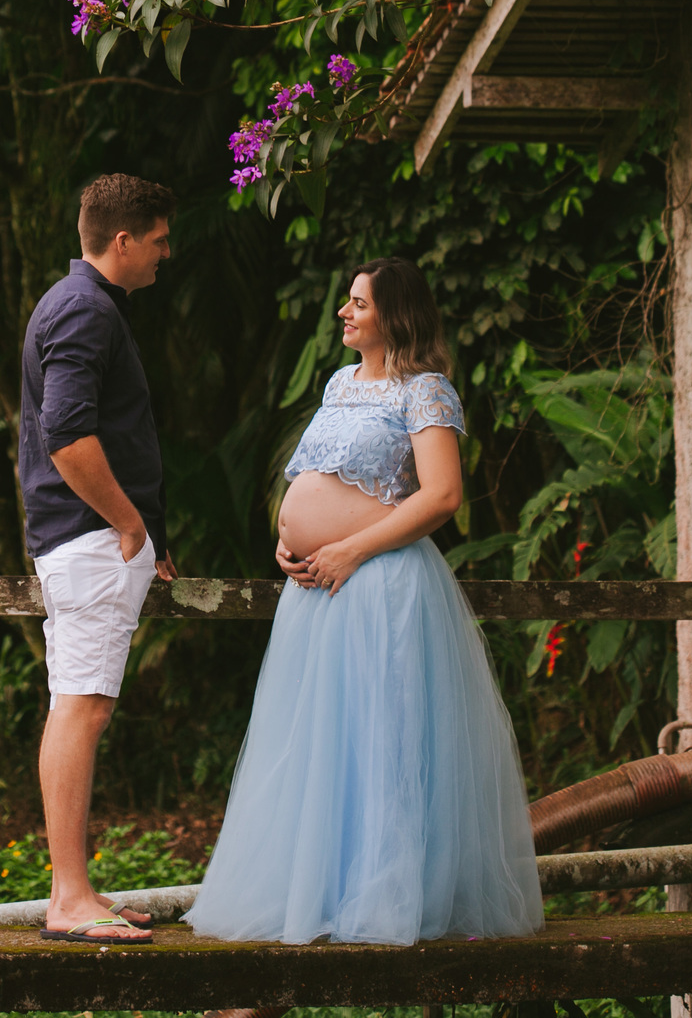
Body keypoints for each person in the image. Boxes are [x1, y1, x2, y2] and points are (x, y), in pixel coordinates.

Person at [184, 257, 543, 947]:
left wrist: (352, 548)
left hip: (379, 587)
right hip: (316, 593)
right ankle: (317, 893)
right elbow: (316, 479)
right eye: (346, 302)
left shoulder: (426, 391)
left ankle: (384, 902)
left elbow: (441, 497)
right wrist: (289, 544)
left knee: (381, 741)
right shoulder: (338, 382)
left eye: (358, 303)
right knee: (317, 742)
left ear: (394, 315)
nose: (344, 313)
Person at [18, 172, 178, 946]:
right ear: (122, 239)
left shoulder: (79, 303)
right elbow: (69, 435)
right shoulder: (85, 309)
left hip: (88, 535)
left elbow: (95, 430)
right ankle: (69, 899)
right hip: (88, 536)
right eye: (158, 239)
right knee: (81, 706)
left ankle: (78, 891)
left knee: (80, 703)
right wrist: (128, 524)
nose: (164, 253)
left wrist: (147, 531)